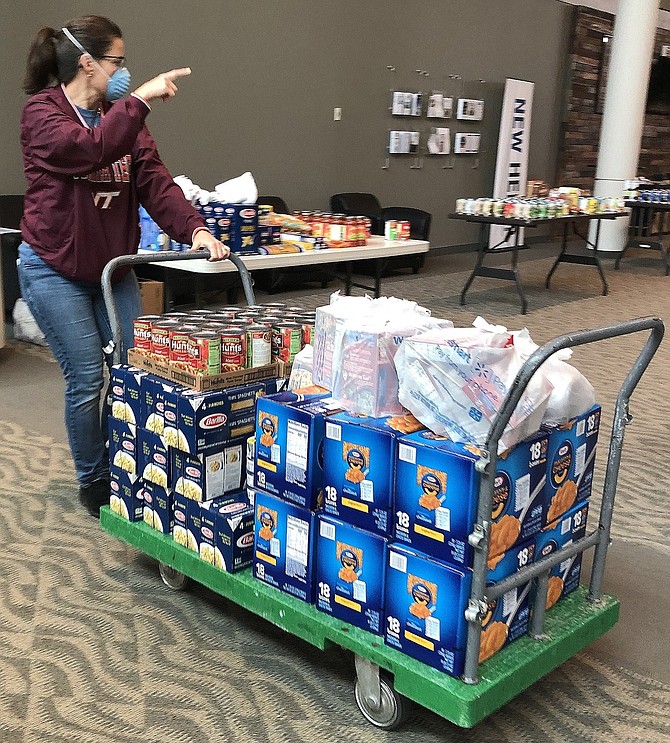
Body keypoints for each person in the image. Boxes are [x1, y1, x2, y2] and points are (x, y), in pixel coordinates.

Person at [18, 15, 230, 518]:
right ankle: (94, 479)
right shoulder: (42, 115)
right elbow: (87, 150)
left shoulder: (124, 118)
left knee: (135, 370)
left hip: (112, 269)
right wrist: (141, 101)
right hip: (54, 269)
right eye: (117, 61)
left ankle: (130, 463)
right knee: (89, 375)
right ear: (88, 64)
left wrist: (195, 229)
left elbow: (156, 182)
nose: (124, 71)